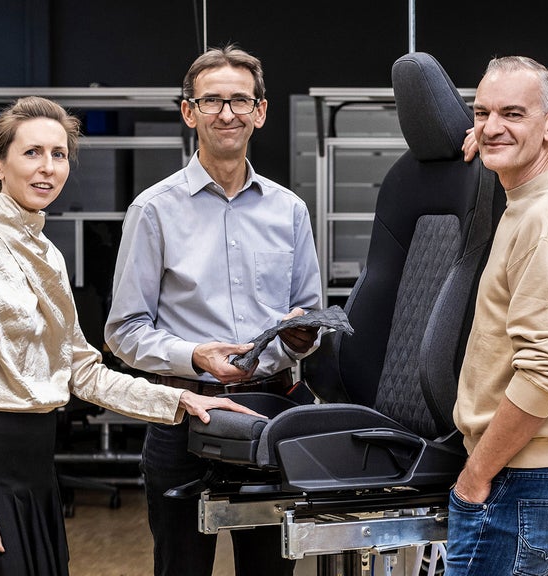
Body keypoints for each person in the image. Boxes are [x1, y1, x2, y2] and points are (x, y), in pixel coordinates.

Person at [0, 95, 259, 576]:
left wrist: (181, 399)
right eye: (32, 152)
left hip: (35, 475)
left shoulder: (46, 252)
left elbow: (82, 371)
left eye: (58, 154)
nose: (47, 167)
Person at [104, 45, 322, 576]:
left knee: (270, 569)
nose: (227, 113)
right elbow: (123, 331)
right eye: (212, 101)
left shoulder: (290, 210)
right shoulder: (153, 210)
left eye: (240, 101)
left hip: (271, 412)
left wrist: (303, 336)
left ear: (260, 112)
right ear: (189, 111)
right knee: (180, 566)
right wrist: (195, 356)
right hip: (184, 415)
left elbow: (309, 315)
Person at [446, 56, 548, 576]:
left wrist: (476, 475)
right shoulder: (545, 194)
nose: (492, 126)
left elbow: (545, 370)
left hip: (523, 478)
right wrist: (500, 139)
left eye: (513, 113)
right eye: (482, 113)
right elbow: (504, 138)